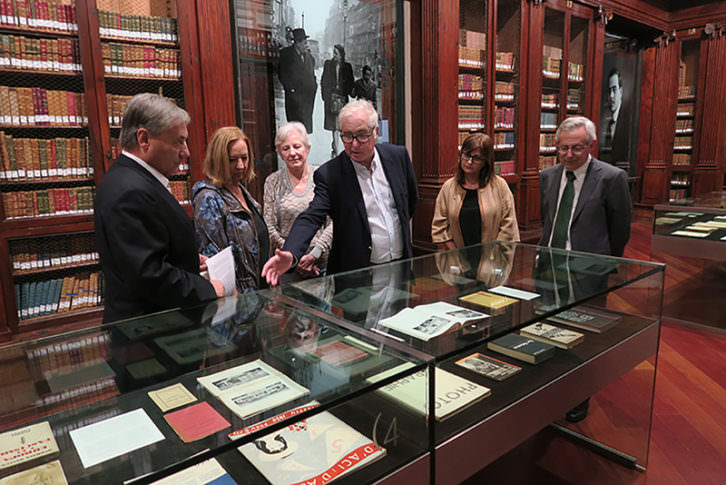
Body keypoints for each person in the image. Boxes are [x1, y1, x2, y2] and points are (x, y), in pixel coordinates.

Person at [94, 93, 223, 324]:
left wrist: (189, 259)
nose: (187, 152)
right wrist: (207, 290)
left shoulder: (134, 180)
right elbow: (150, 275)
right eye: (178, 141)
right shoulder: (129, 190)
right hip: (149, 336)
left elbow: (150, 247)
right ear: (144, 139)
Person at [262, 99, 418, 286]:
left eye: (362, 135)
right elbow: (311, 217)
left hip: (400, 267)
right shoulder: (330, 174)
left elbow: (409, 202)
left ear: (376, 132)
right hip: (359, 274)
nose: (354, 144)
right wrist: (291, 253)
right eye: (347, 136)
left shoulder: (397, 156)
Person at [539, 115, 632, 423]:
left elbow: (620, 228)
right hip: (550, 269)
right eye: (562, 148)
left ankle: (579, 395)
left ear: (590, 145)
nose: (568, 155)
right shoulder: (549, 176)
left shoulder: (611, 178)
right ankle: (551, 390)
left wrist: (605, 264)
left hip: (589, 273)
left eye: (576, 149)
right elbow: (548, 222)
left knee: (584, 336)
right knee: (551, 331)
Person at [193, 126, 269, 293]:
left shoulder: (240, 189)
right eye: (232, 160)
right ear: (218, 160)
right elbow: (216, 262)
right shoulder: (208, 197)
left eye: (244, 158)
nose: (241, 165)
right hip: (237, 299)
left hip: (259, 293)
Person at [263, 122, 333, 282]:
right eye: (286, 148)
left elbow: (332, 223)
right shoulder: (272, 182)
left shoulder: (323, 176)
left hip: (322, 264)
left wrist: (314, 254)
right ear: (279, 153)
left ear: (307, 148)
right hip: (287, 268)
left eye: (297, 146)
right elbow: (269, 225)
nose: (292, 153)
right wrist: (292, 256)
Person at [431, 132, 519, 254]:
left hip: (491, 261)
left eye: (476, 158)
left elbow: (508, 228)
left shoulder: (500, 186)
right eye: (466, 155)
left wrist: (493, 257)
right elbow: (440, 228)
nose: (469, 162)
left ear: (486, 162)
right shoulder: (449, 187)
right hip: (457, 261)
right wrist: (456, 255)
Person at [278, 28, 317, 133]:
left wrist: (314, 87)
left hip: (307, 101)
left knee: (304, 131)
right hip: (294, 101)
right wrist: (291, 90)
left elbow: (312, 74)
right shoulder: (286, 55)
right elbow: (282, 75)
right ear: (297, 43)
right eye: (304, 43)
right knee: (294, 130)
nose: (306, 45)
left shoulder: (309, 57)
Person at [321, 45, 354, 157]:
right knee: (334, 125)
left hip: (343, 99)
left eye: (336, 53)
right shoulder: (328, 64)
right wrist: (326, 97)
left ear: (341, 55)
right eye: (333, 53)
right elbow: (324, 81)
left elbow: (350, 82)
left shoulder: (347, 67)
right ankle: (336, 148)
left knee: (341, 125)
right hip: (332, 99)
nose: (334, 56)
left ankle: (336, 146)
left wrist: (348, 91)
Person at [599, 68, 630, 165]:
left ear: (621, 91)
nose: (611, 96)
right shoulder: (604, 120)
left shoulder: (628, 122)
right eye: (609, 91)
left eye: (614, 90)